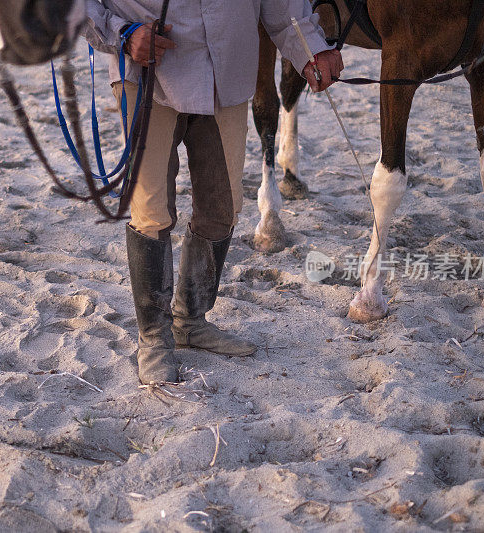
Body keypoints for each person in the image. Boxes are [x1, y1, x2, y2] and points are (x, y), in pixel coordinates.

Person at [85, 0, 343, 384]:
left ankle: (190, 320)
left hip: (228, 74)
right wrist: (121, 34)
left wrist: (310, 49)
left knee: (223, 207)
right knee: (151, 209)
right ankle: (155, 339)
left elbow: (282, 4)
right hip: (147, 76)